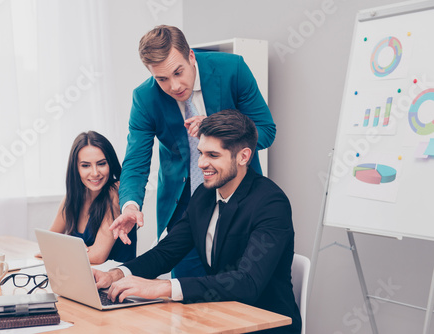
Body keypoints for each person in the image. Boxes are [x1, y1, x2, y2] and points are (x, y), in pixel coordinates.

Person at [96, 110, 301, 334]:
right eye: (201, 153)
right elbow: (167, 252)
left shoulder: (271, 203)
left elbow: (247, 282)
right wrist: (116, 274)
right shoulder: (203, 194)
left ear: (243, 157)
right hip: (220, 315)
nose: (202, 163)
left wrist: (164, 287)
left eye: (213, 155)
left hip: (265, 323)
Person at [110, 25, 276, 278]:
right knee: (183, 301)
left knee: (239, 292)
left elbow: (266, 130)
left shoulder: (233, 70)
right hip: (185, 211)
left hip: (239, 201)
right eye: (162, 79)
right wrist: (130, 206)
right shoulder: (145, 98)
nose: (174, 86)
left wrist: (216, 128)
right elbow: (136, 161)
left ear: (190, 56)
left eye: (178, 72)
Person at [46, 131, 136, 264]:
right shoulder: (74, 196)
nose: (95, 173)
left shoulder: (115, 192)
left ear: (110, 164)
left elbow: (97, 256)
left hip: (116, 281)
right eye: (85, 165)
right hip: (84, 277)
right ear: (75, 168)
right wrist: (73, 250)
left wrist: (65, 249)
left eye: (101, 164)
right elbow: (48, 243)